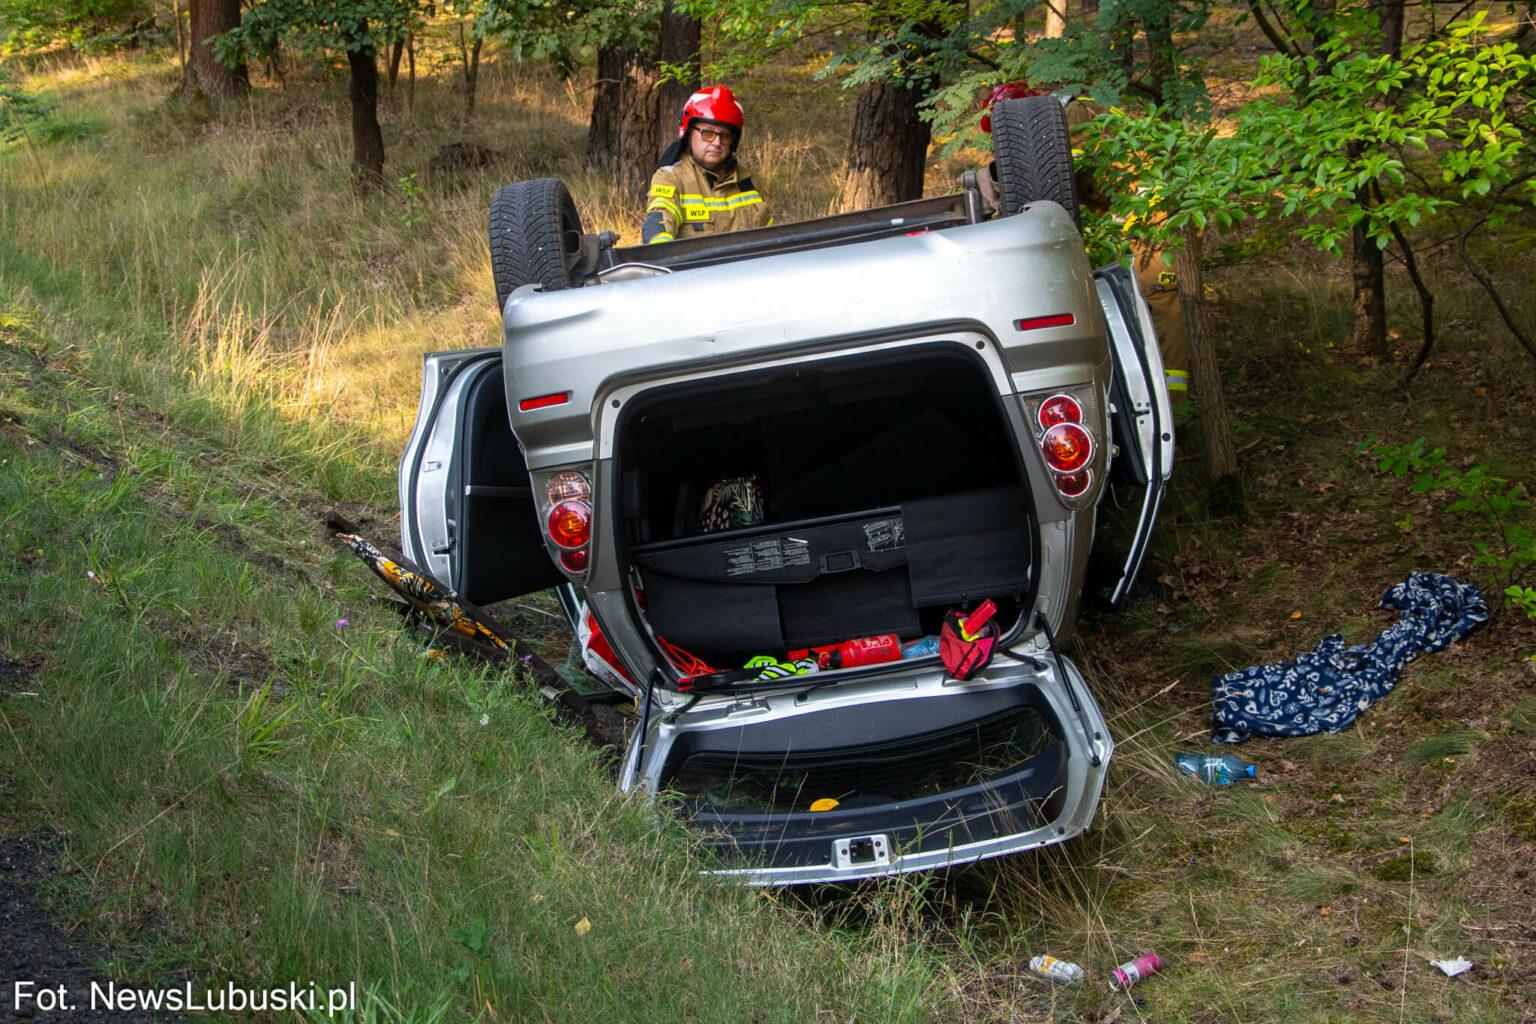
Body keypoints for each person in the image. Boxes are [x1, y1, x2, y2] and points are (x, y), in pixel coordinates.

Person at [643, 86, 772, 244]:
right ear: (689, 132)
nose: (717, 142)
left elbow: (770, 238)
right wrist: (661, 251)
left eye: (725, 135)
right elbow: (658, 224)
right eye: (708, 133)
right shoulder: (670, 178)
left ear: (733, 140)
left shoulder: (748, 180)